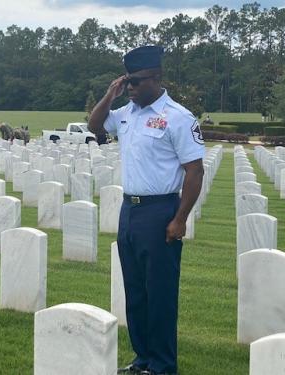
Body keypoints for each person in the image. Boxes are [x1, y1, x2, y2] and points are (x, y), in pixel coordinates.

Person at [88, 46, 205, 375]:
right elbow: (95, 126)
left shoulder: (178, 118)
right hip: (130, 210)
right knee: (135, 292)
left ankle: (163, 365)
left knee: (161, 294)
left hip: (161, 211)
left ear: (155, 78)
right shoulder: (125, 112)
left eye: (136, 82)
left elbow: (195, 171)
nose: (131, 89)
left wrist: (180, 218)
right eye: (127, 83)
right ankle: (143, 360)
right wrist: (110, 96)